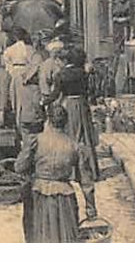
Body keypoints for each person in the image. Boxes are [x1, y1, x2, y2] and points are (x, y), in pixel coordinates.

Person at [15, 102, 84, 243]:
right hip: (65, 196)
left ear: (48, 120)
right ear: (66, 122)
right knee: (65, 237)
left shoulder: (36, 140)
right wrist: (91, 207)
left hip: (39, 194)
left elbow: (19, 166)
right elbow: (85, 179)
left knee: (40, 235)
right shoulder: (73, 145)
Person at [44, 44, 99, 219]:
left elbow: (55, 94)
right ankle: (91, 168)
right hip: (82, 105)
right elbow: (91, 90)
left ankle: (72, 169)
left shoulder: (62, 75)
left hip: (69, 104)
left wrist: (43, 102)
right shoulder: (83, 73)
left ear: (64, 60)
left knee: (70, 137)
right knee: (85, 137)